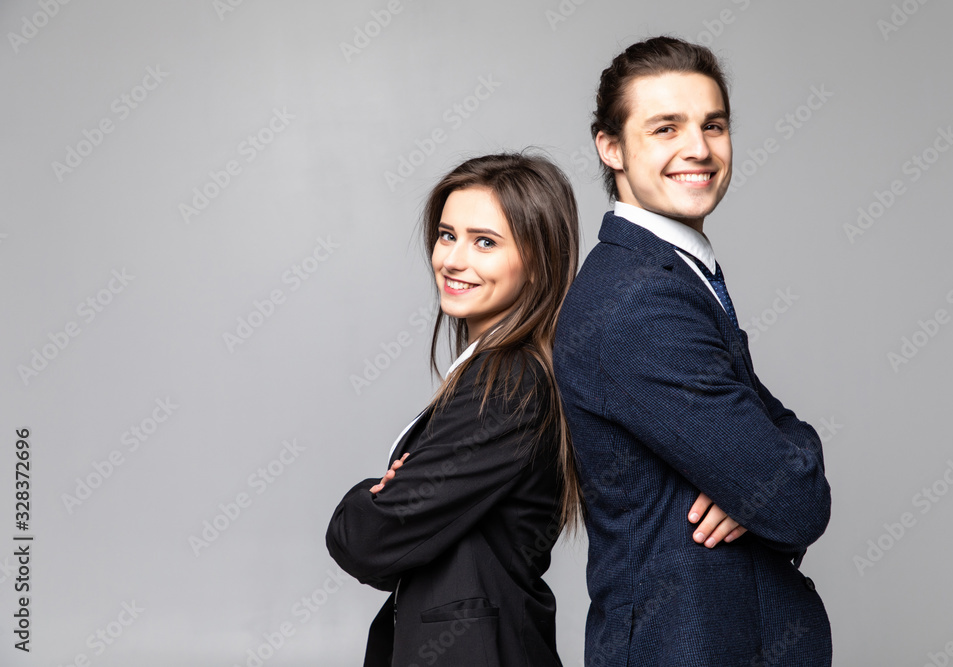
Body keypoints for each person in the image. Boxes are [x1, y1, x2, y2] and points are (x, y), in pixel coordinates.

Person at [553, 36, 833, 666]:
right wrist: (768, 479)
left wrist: (770, 470)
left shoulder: (673, 276)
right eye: (665, 128)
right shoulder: (638, 302)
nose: (699, 149)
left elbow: (782, 462)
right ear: (611, 147)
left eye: (714, 125)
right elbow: (795, 502)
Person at [327, 152, 581, 667]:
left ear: (538, 263)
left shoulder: (510, 384)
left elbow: (367, 541)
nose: (453, 259)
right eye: (448, 235)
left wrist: (370, 498)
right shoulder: (490, 373)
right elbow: (393, 557)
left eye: (485, 242)